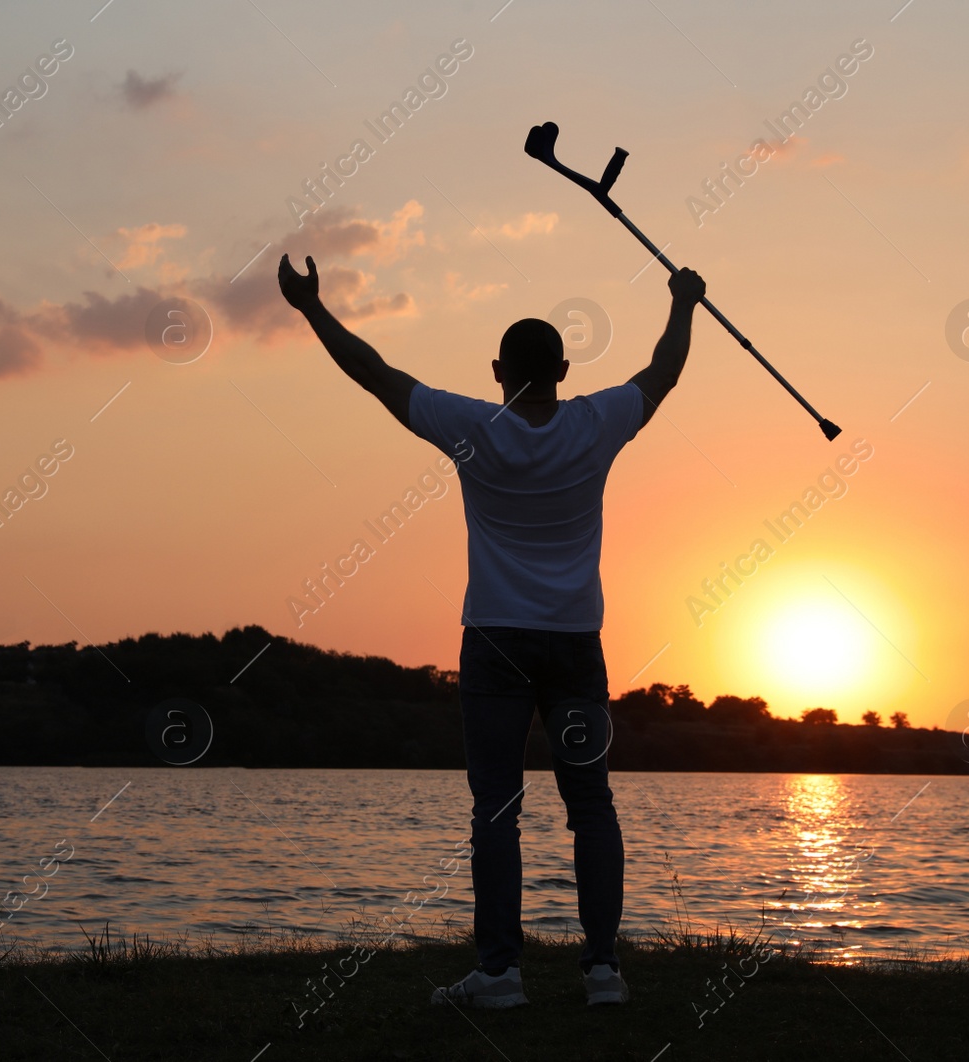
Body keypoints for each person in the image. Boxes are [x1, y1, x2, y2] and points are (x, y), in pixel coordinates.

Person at [277, 253, 705, 1008]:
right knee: (592, 805)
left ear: (499, 370)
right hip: (575, 643)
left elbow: (375, 373)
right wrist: (683, 302)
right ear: (565, 369)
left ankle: (501, 976)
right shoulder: (597, 421)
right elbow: (662, 374)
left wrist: (311, 308)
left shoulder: (472, 426)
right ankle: (602, 973)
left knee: (496, 809)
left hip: (497, 643)